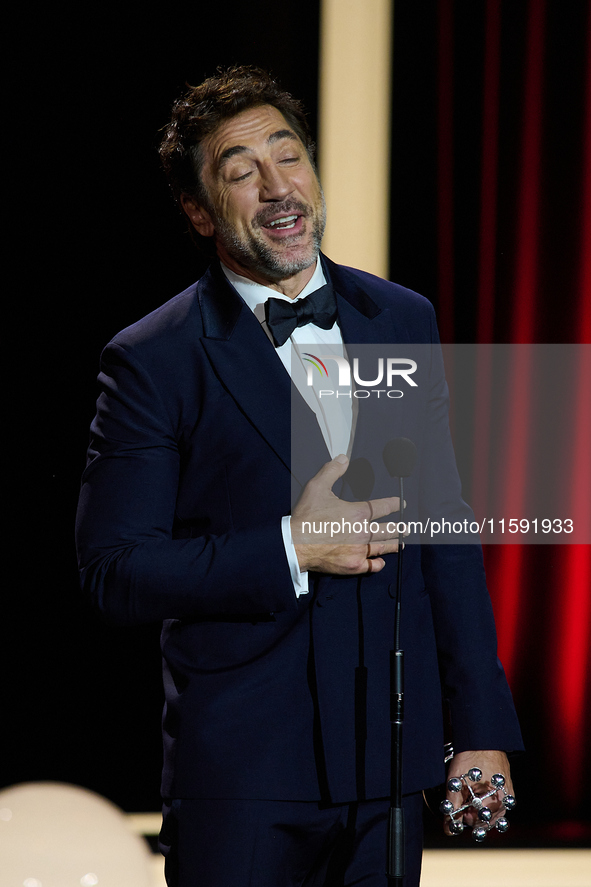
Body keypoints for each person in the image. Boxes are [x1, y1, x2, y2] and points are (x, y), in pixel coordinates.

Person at [75, 66, 523, 886]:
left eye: (290, 156)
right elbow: (115, 571)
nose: (278, 187)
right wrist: (291, 544)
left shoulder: (400, 316)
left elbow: (444, 529)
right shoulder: (151, 358)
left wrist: (477, 727)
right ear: (198, 209)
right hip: (243, 782)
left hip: (391, 768)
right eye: (241, 171)